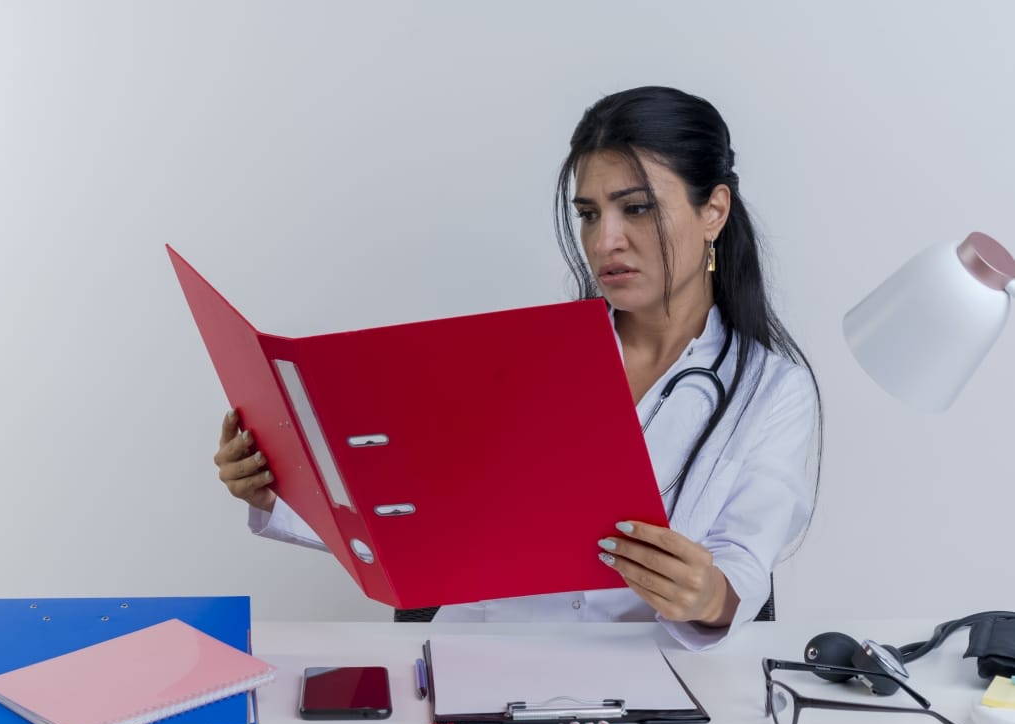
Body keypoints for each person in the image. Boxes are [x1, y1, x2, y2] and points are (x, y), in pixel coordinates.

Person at [213, 85, 822, 650]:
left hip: (640, 686)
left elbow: (743, 562)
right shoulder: (519, 358)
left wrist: (706, 594)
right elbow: (405, 513)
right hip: (473, 662)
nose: (605, 239)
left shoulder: (771, 391)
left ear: (713, 210)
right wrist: (279, 486)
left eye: (635, 209)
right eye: (588, 214)